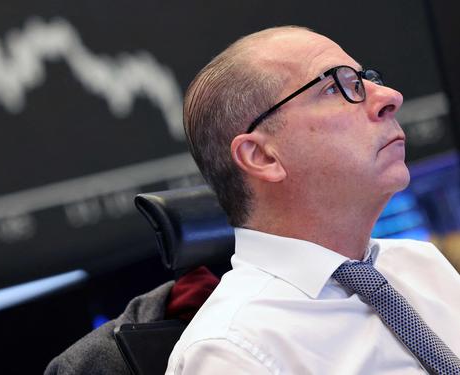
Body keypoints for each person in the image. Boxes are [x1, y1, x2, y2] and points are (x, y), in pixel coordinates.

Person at [166, 26, 460, 374]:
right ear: (262, 157)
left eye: (365, 81)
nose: (390, 97)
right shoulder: (231, 351)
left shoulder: (418, 262)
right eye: (336, 87)